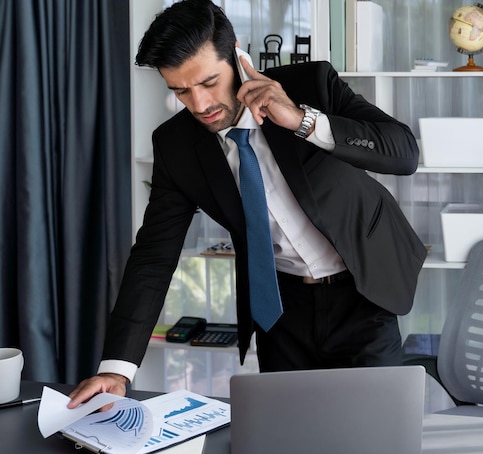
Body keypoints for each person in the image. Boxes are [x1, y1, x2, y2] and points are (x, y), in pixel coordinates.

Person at [69, 0, 426, 406]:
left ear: (237, 55)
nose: (200, 105)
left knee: (373, 431)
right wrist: (117, 368)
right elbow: (153, 255)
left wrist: (300, 120)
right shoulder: (176, 145)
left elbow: (403, 153)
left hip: (363, 290)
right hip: (280, 307)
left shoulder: (311, 83)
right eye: (181, 91)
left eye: (208, 83)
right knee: (287, 435)